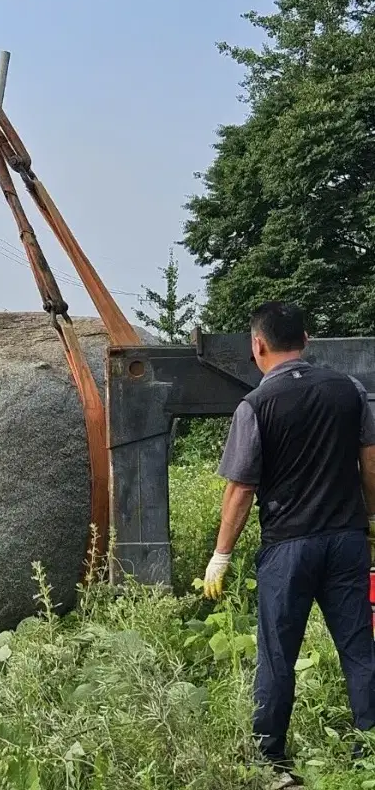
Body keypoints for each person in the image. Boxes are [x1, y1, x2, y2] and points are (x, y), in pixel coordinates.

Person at [203, 301, 375, 785]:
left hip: (287, 547)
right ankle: (370, 753)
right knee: (360, 649)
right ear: (307, 340)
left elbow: (240, 488)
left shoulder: (256, 405)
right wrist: (373, 521)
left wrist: (221, 556)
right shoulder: (351, 390)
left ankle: (273, 765)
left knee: (278, 656)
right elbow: (371, 462)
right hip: (347, 541)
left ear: (257, 345)